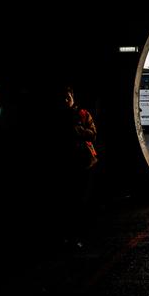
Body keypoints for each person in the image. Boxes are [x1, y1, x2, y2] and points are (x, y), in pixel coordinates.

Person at [53, 86, 99, 249]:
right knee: (65, 200)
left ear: (73, 98)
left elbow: (93, 134)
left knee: (80, 200)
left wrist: (77, 130)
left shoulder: (83, 114)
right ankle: (66, 235)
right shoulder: (55, 116)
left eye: (68, 98)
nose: (66, 101)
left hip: (84, 162)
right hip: (64, 163)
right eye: (63, 98)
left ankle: (76, 235)